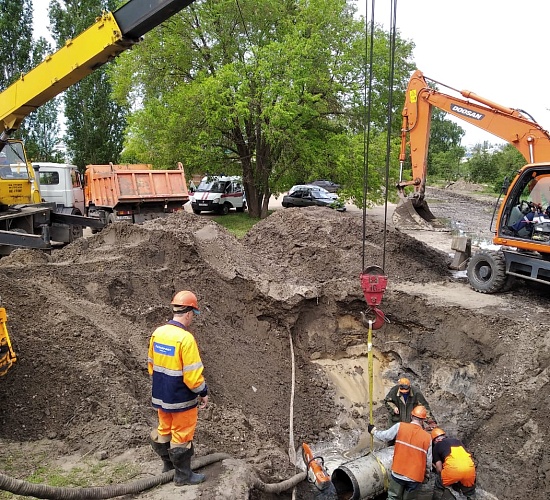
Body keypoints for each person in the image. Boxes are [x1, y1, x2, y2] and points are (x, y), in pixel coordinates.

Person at [148, 290, 209, 485]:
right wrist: (203, 392)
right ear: (189, 313)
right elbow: (192, 376)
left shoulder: (158, 333)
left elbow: (151, 365)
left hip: (161, 395)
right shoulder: (185, 339)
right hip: (181, 399)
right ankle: (183, 475)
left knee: (164, 429)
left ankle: (168, 467)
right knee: (182, 434)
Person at [367, 405, 432, 499]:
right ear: (423, 420)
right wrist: (426, 476)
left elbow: (385, 436)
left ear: (411, 416)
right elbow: (428, 461)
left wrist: (373, 431)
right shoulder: (428, 437)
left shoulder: (400, 426)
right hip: (415, 477)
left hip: (398, 472)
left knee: (393, 498)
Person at [431, 428, 476, 500]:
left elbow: (439, 469)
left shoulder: (437, 446)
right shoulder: (458, 441)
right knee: (469, 492)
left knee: (439, 485)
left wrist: (443, 476)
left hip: (453, 471)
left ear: (436, 440)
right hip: (469, 469)